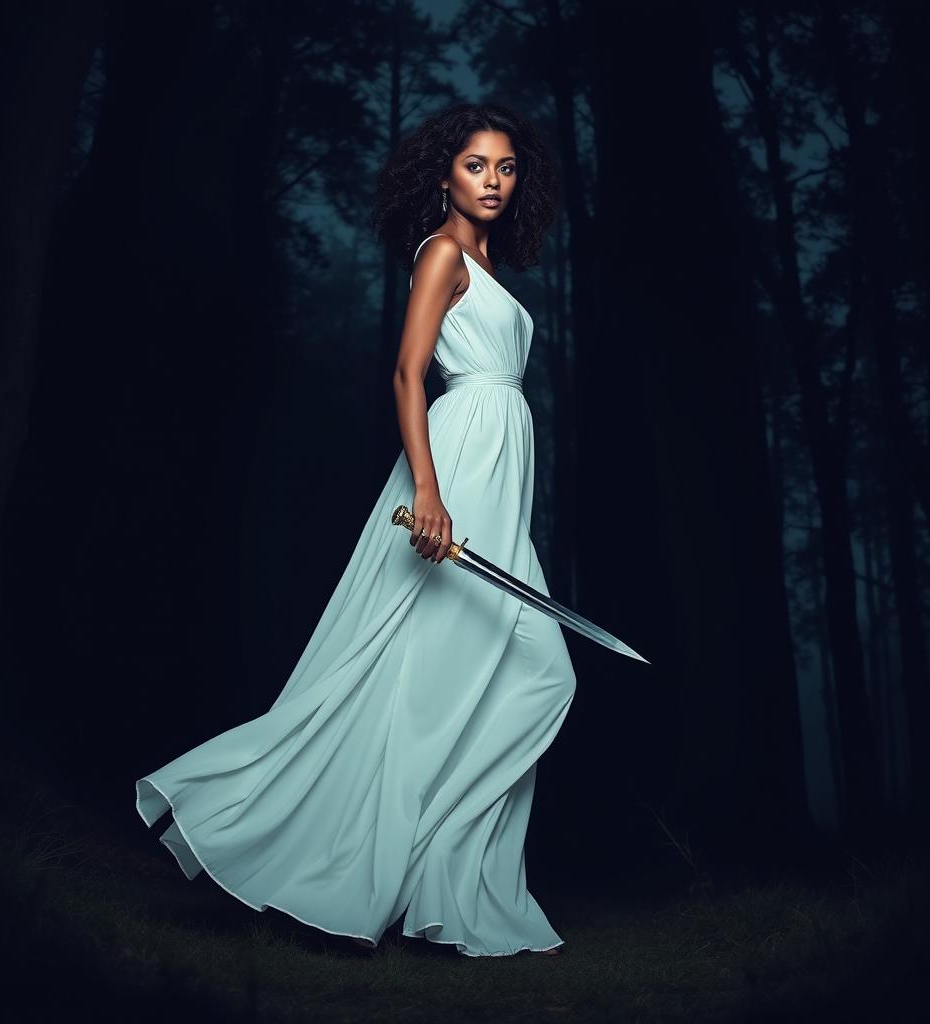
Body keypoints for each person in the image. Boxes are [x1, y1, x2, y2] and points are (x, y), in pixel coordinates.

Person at [135, 102, 576, 958]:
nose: (492, 181)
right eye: (476, 165)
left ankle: (443, 871)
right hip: (454, 467)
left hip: (500, 473)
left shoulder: (488, 262)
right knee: (426, 679)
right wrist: (431, 492)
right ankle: (302, 837)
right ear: (445, 173)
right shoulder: (444, 254)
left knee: (533, 678)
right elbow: (411, 372)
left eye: (507, 167)